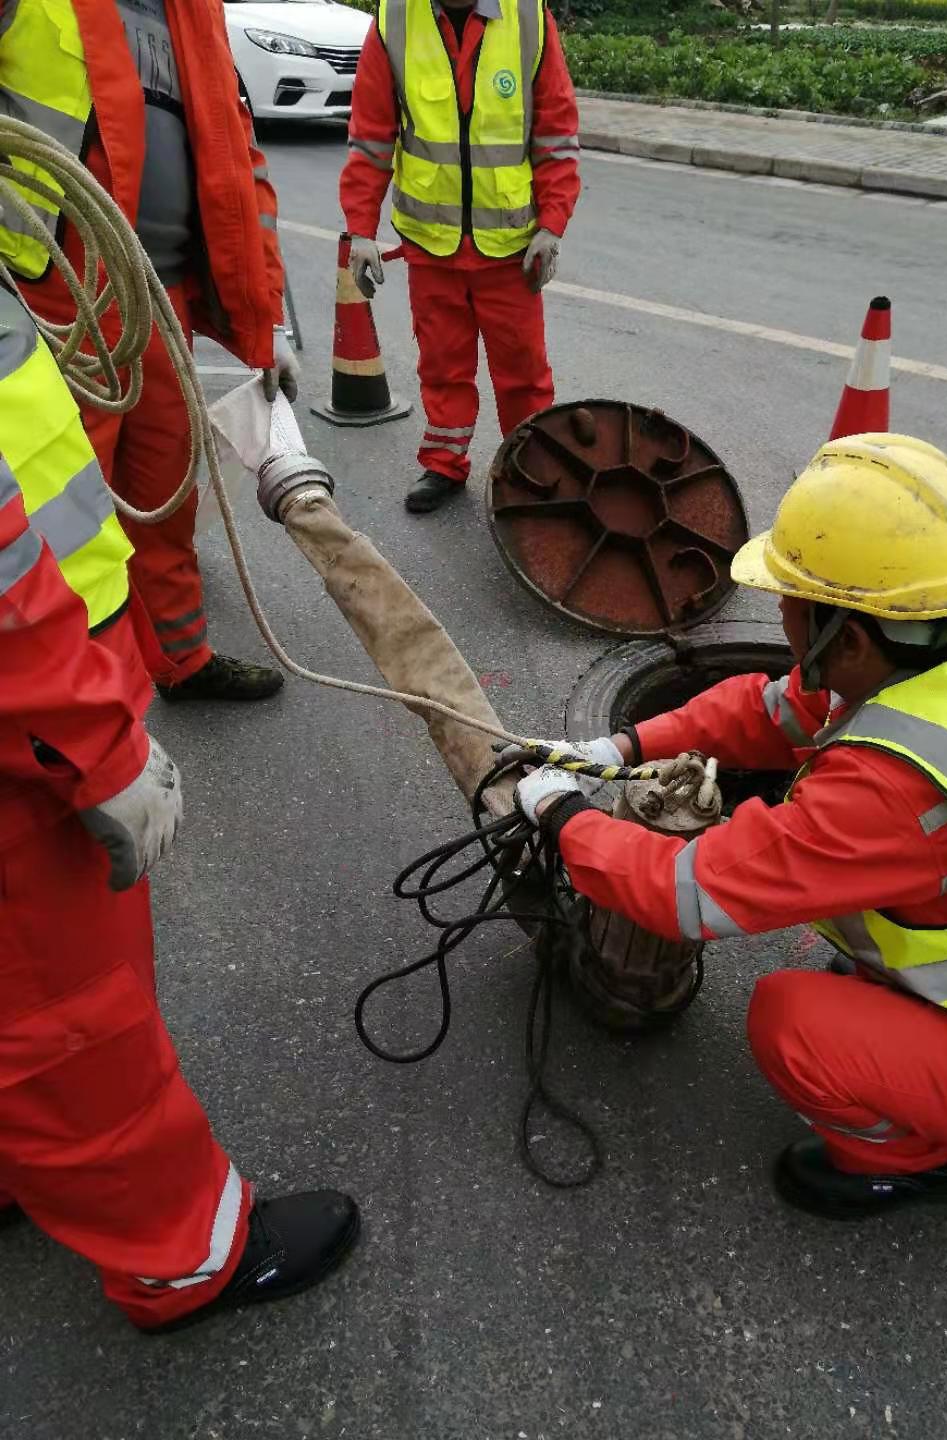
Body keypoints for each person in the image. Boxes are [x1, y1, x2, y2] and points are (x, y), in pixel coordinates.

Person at [515, 434, 947, 1221]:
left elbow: (685, 893)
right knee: (851, 979)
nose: (777, 608)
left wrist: (560, 814)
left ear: (847, 636)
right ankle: (933, 1060)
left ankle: (918, 1160)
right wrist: (620, 748)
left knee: (793, 1024)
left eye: (790, 595)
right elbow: (766, 710)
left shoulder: (892, 791)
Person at [0, 289, 359, 1330]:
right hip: (33, 711)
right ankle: (182, 1257)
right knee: (71, 1012)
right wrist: (90, 738)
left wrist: (255, 327)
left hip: (44, 677)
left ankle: (23, 1161)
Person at [0, 0, 297, 702]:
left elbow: (240, 165)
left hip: (163, 294)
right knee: (64, 511)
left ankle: (180, 657)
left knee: (165, 493)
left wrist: (271, 322)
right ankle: (69, 699)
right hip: (59, 291)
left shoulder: (194, 12)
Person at [341, 0, 580, 515]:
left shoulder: (528, 18)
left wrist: (552, 225)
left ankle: (530, 468)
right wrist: (360, 230)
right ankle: (444, 463)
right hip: (432, 245)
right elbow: (371, 139)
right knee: (443, 365)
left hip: (509, 248)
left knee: (523, 373)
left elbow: (556, 136)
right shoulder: (396, 20)